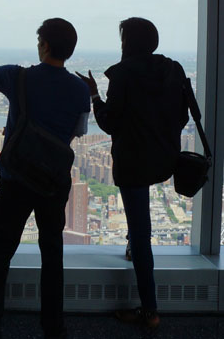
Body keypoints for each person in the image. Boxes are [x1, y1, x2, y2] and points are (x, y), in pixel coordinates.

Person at [0, 18, 90, 339]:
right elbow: (75, 133)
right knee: (52, 253)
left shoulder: (19, 77)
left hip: (15, 179)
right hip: (54, 182)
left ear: (44, 46)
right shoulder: (81, 90)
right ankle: (54, 328)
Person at [76, 17, 189, 331]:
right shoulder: (173, 69)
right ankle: (130, 244)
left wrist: (94, 95)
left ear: (129, 43)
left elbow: (110, 122)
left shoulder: (123, 74)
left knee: (142, 233)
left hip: (134, 164)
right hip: (165, 158)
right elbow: (183, 114)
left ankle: (150, 311)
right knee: (138, 228)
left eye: (123, 39)